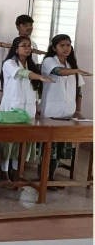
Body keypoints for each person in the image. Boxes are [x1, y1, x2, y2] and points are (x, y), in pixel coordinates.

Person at [0, 36, 54, 181]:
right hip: (12, 107)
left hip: (28, 108)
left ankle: (17, 171)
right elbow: (22, 74)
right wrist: (39, 77)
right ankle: (3, 172)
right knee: (9, 141)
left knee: (22, 141)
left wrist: (36, 108)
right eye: (24, 45)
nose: (28, 48)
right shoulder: (9, 63)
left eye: (29, 46)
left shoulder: (32, 65)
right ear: (16, 48)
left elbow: (34, 91)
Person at [40, 34, 91, 187]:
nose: (66, 48)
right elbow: (57, 71)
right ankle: (44, 178)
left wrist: (78, 110)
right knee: (50, 147)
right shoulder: (49, 61)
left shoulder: (71, 65)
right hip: (52, 111)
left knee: (61, 147)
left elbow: (78, 91)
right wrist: (76, 71)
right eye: (62, 45)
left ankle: (51, 177)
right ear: (54, 47)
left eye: (68, 45)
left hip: (68, 112)